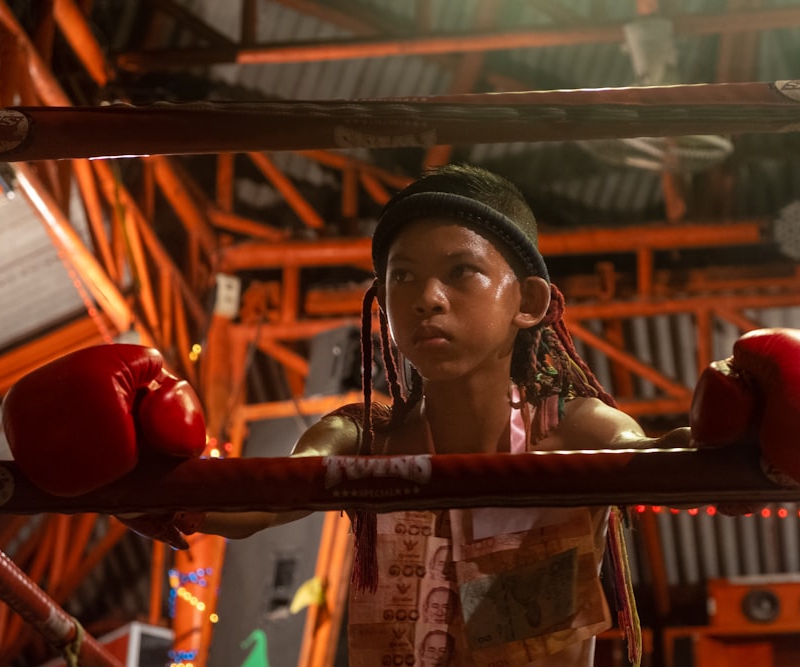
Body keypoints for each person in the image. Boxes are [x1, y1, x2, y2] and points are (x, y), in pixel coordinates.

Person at [195, 163, 688, 667]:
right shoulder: (366, 437)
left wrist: (736, 424)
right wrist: (143, 482)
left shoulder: (576, 431)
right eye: (403, 276)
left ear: (530, 300)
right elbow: (263, 501)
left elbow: (662, 460)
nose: (427, 299)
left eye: (461, 272)